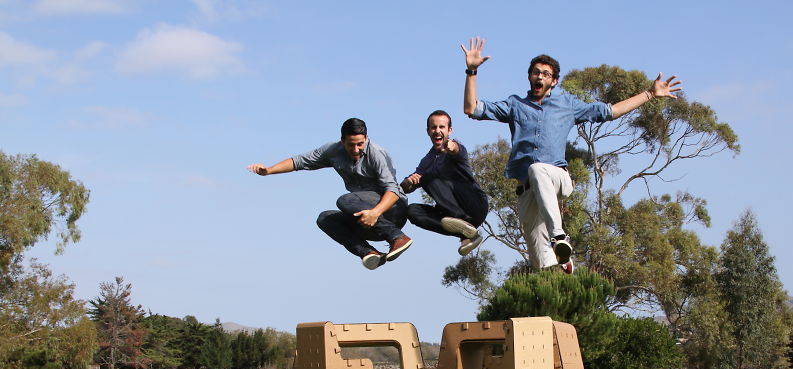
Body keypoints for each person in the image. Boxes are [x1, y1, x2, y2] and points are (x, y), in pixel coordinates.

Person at [461, 37, 682, 272]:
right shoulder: (515, 105)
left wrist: (649, 93)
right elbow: (471, 108)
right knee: (539, 262)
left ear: (554, 81)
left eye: (546, 74)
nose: (540, 77)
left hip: (557, 178)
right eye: (536, 72)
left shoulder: (567, 105)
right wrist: (471, 71)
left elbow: (612, 111)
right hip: (527, 190)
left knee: (537, 169)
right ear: (529, 77)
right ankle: (562, 260)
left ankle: (559, 237)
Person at [247, 118, 412, 270]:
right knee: (325, 219)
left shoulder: (377, 153)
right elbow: (299, 161)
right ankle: (369, 253)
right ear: (342, 141)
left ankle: (398, 238)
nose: (356, 150)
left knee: (346, 200)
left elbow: (393, 190)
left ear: (366, 139)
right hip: (368, 220)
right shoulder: (333, 151)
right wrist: (269, 170)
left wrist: (375, 213)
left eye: (360, 144)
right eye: (351, 145)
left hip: (392, 212)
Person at [402, 110, 489, 256]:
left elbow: (457, 150)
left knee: (428, 177)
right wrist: (407, 183)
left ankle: (462, 222)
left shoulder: (456, 149)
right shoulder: (426, 161)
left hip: (474, 205)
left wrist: (452, 147)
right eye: (433, 127)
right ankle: (467, 234)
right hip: (453, 214)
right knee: (411, 211)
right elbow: (407, 187)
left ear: (449, 130)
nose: (437, 131)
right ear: (428, 131)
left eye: (441, 127)